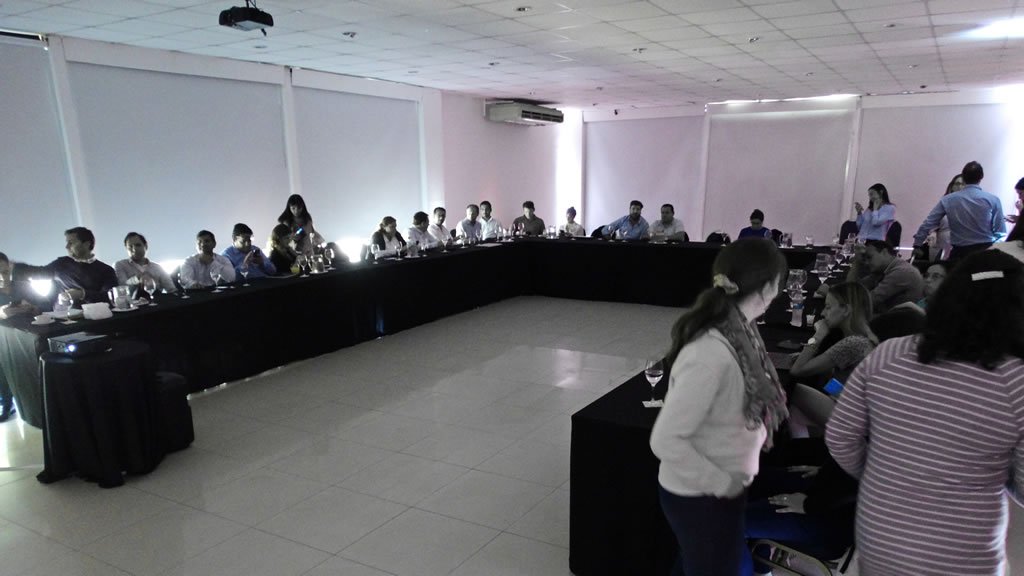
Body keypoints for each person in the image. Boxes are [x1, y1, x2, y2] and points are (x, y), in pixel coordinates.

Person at [826, 249, 1024, 576]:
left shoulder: (888, 354)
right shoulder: (1014, 382)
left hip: (880, 537)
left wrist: (886, 475)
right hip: (962, 553)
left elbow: (839, 435)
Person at [650, 238, 788, 576]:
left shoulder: (741, 334)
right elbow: (665, 440)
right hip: (701, 494)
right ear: (769, 288)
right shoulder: (710, 353)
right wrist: (724, 484)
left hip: (717, 489)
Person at [786, 283, 877, 438]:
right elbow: (839, 385)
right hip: (861, 413)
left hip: (853, 417)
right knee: (796, 409)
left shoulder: (853, 343)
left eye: (828, 307)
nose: (823, 313)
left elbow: (797, 371)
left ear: (846, 310)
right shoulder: (866, 336)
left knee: (791, 390)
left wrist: (818, 335)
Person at [912, 161, 1005, 260]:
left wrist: (917, 244)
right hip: (985, 251)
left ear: (963, 177)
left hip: (959, 253)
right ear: (981, 177)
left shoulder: (948, 200)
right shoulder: (993, 200)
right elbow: (1001, 232)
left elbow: (928, 223)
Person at [12, 227, 118, 307]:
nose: (67, 247)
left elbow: (110, 297)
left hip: (97, 319)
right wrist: (13, 266)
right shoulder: (61, 263)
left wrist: (82, 294)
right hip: (67, 318)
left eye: (71, 243)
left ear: (86, 244)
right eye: (67, 243)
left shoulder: (106, 270)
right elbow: (39, 273)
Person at [843, 240, 923, 314]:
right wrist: (857, 262)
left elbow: (866, 302)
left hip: (898, 321)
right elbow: (852, 289)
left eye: (870, 257)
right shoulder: (884, 270)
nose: (866, 263)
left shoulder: (901, 272)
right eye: (865, 258)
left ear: (884, 252)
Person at [930, 174, 964, 260]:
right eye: (957, 184)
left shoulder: (974, 207)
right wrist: (932, 233)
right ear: (952, 187)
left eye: (963, 184)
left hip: (963, 251)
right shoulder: (943, 205)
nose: (960, 187)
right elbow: (932, 225)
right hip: (941, 250)